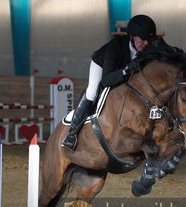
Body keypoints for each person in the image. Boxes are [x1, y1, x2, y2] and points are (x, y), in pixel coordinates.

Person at [61, 14, 158, 151]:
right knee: (92, 92)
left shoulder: (148, 48)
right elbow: (106, 80)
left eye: (149, 40)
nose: (146, 43)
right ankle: (72, 133)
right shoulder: (115, 46)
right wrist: (126, 70)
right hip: (103, 66)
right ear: (132, 36)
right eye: (142, 39)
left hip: (125, 70)